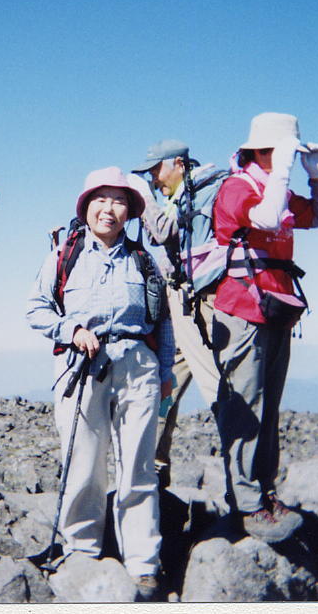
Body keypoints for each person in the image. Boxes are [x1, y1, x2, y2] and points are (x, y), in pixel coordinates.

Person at [26, 167, 166, 602]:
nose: (109, 208)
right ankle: (82, 553)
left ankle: (143, 564)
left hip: (138, 367)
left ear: (130, 211)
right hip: (80, 366)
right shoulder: (64, 255)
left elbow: (163, 323)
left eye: (119, 201)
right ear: (86, 206)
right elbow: (36, 308)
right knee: (83, 463)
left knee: (138, 466)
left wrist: (164, 374)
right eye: (100, 199)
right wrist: (71, 330)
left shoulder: (145, 260)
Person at [210, 112, 318, 542]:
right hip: (243, 309)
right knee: (246, 406)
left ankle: (265, 491)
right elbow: (264, 218)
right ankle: (246, 504)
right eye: (284, 153)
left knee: (270, 406)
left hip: (277, 307)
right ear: (264, 151)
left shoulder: (276, 187)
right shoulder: (238, 187)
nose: (290, 162)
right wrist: (280, 171)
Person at [129, 140, 225, 486]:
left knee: (214, 385)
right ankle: (154, 465)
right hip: (181, 305)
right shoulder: (183, 195)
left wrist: (143, 197)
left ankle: (245, 479)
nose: (154, 179)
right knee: (163, 386)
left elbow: (162, 231)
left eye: (156, 171)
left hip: (198, 306)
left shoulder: (197, 194)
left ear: (179, 164)